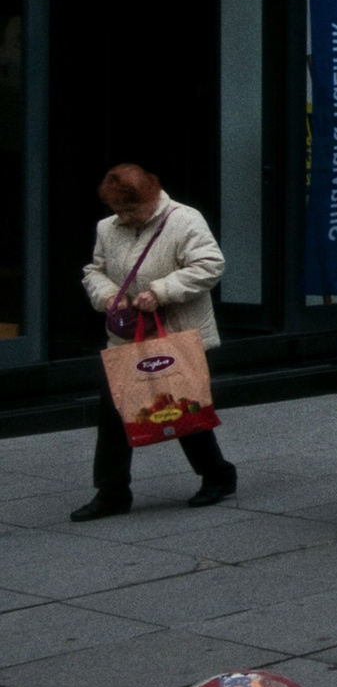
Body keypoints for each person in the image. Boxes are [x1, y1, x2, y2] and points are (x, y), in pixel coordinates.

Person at [73, 164, 234, 521]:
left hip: (176, 333)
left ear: (150, 198)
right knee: (114, 412)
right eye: (118, 211)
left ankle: (217, 474)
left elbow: (210, 265)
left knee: (181, 407)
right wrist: (110, 296)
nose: (125, 217)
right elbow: (94, 270)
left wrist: (160, 292)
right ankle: (112, 491)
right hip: (126, 338)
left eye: (131, 210)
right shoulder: (107, 228)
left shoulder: (184, 220)